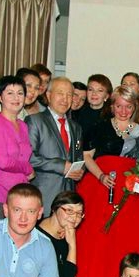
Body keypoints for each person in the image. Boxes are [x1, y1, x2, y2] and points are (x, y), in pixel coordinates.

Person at [76, 85, 139, 277]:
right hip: (100, 186)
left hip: (130, 189)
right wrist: (101, 176)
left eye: (128, 107)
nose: (123, 111)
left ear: (134, 107)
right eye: (119, 106)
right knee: (95, 238)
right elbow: (87, 157)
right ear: (112, 106)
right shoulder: (99, 127)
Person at [27, 77, 84, 215]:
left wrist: (79, 170)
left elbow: (78, 158)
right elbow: (29, 157)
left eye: (69, 95)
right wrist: (61, 166)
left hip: (68, 197)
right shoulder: (35, 121)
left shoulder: (76, 127)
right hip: (43, 194)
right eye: (60, 93)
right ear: (48, 95)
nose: (65, 99)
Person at [0, 76, 34, 220]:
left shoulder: (23, 125)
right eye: (10, 93)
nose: (16, 98)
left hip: (20, 194)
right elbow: (2, 162)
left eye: (20, 93)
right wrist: (28, 169)